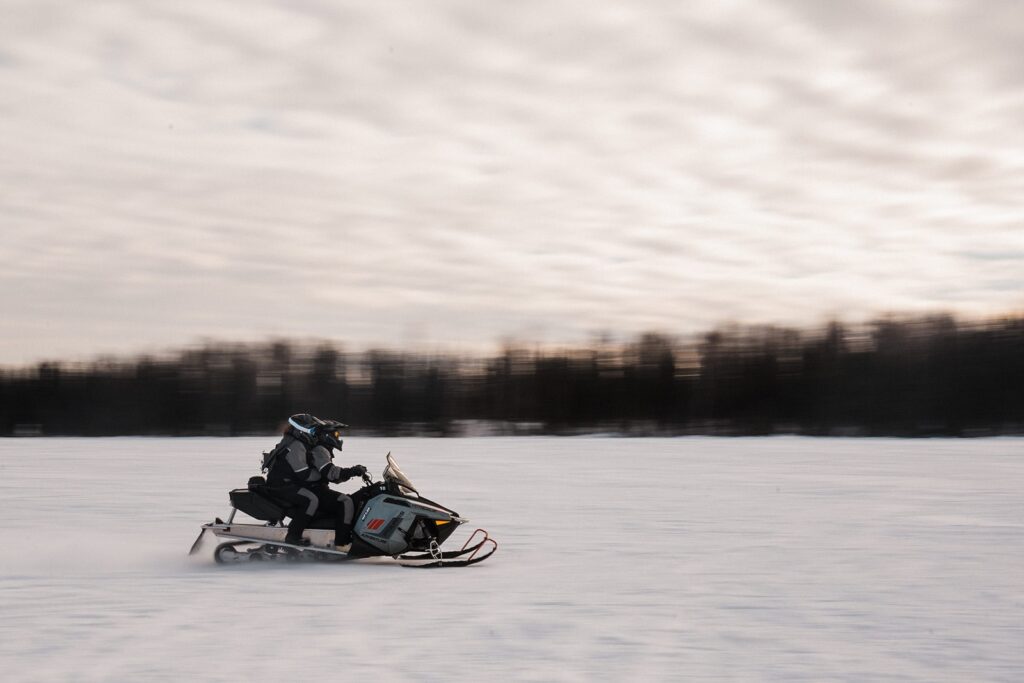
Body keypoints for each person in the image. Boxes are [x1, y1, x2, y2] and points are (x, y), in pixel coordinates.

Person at [263, 414, 367, 547]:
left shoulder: (299, 443)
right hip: (282, 485)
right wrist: (324, 475)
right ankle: (293, 536)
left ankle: (337, 537)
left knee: (318, 499)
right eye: (312, 431)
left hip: (289, 483)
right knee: (311, 500)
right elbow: (304, 474)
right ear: (301, 431)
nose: (314, 435)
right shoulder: (295, 446)